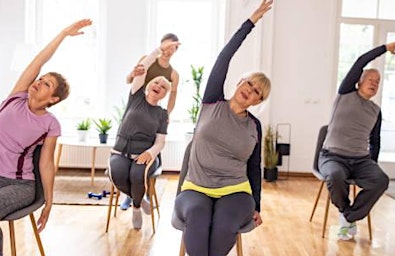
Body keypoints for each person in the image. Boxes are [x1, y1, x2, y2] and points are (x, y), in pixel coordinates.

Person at [0, 19, 92, 255]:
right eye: (41, 79)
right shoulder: (16, 97)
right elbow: (39, 60)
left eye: (47, 84)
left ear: (53, 99)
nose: (39, 82)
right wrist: (63, 33)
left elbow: (45, 163)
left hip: (18, 184)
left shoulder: (50, 124)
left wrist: (49, 201)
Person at [173, 1, 273, 255]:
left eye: (256, 93)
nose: (249, 91)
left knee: (224, 225)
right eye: (248, 84)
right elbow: (224, 57)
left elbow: (254, 167)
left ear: (257, 102)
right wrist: (251, 22)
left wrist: (257, 205)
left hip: (235, 190)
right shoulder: (211, 101)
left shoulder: (254, 126)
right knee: (197, 218)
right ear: (240, 82)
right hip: (196, 186)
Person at [319, 40, 395, 240]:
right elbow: (361, 61)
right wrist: (385, 48)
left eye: (378, 82)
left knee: (381, 180)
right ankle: (346, 213)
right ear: (359, 81)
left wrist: (373, 166)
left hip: (361, 160)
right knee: (335, 176)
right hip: (332, 157)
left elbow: (375, 141)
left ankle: (349, 216)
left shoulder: (376, 111)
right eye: (370, 79)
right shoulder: (345, 93)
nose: (374, 83)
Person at [109, 40, 179, 229]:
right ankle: (136, 197)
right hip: (121, 150)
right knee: (117, 175)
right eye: (156, 82)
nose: (159, 86)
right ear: (148, 85)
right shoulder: (136, 95)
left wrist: (150, 153)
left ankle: (137, 208)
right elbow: (143, 67)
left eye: (164, 87)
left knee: (137, 176)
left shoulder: (162, 114)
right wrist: (159, 50)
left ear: (164, 94)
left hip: (145, 153)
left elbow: (160, 142)